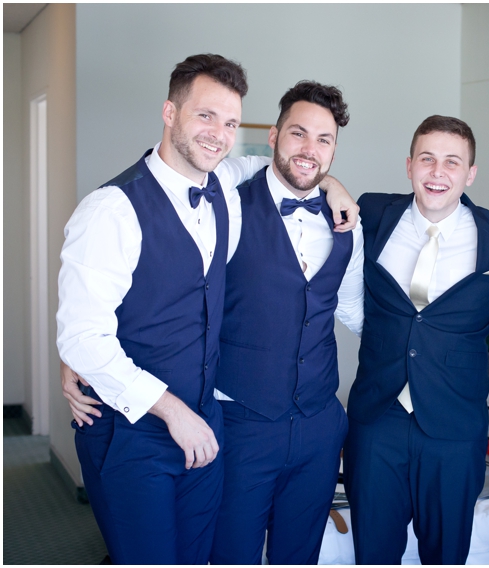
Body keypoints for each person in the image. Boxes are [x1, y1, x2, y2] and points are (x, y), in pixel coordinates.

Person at [56, 55, 357, 564]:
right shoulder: (111, 209)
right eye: (206, 116)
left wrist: (330, 182)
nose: (218, 134)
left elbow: (283, 168)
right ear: (169, 112)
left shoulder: (223, 192)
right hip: (132, 429)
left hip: (205, 426)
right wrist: (85, 362)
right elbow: (83, 337)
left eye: (231, 123)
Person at [343, 115, 489, 564]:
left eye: (452, 162)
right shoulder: (372, 213)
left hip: (454, 426)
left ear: (470, 173)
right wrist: (328, 184)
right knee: (373, 555)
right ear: (409, 166)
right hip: (377, 419)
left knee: (445, 556)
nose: (437, 172)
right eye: (427, 159)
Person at [209, 81, 363, 565]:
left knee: (299, 556)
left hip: (319, 425)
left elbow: (355, 312)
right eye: (298, 133)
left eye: (324, 139)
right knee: (230, 553)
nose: (310, 149)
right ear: (273, 136)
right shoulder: (226, 202)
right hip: (241, 421)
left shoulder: (347, 223)